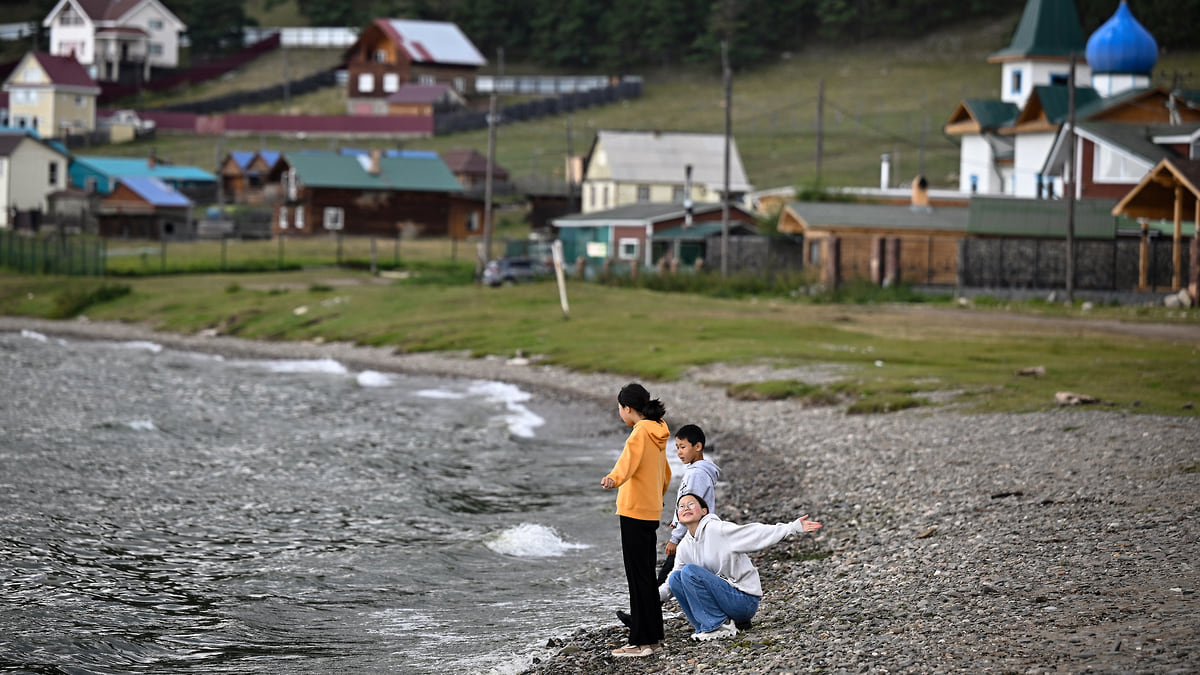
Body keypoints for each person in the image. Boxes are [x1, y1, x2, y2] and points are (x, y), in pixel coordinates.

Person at [660, 493, 822, 641]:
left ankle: (718, 625)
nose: (686, 508)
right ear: (678, 516)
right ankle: (706, 626)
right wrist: (648, 598)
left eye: (691, 504)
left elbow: (753, 533)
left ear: (704, 511)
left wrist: (791, 528)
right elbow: (670, 585)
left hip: (744, 601)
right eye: (681, 506)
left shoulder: (718, 529)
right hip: (723, 602)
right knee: (676, 577)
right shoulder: (684, 546)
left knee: (689, 571)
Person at [617, 424, 720, 628]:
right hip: (695, 533)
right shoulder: (696, 471)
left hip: (691, 533)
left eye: (683, 447)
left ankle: (642, 618)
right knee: (682, 575)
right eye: (677, 448)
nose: (679, 452)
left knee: (668, 576)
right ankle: (643, 617)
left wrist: (675, 537)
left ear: (698, 446)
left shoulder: (696, 475)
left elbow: (689, 507)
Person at [600, 383, 671, 658]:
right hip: (650, 509)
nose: (620, 413)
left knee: (637, 577)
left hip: (633, 512)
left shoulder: (640, 433)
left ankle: (641, 643)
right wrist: (657, 496)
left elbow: (626, 462)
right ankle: (653, 639)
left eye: (620, 408)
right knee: (646, 577)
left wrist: (613, 479)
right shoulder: (658, 431)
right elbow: (665, 473)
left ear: (628, 408)